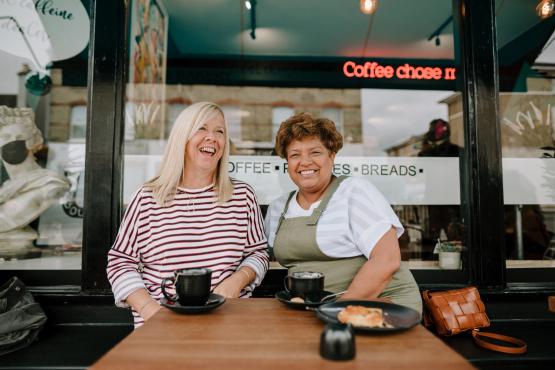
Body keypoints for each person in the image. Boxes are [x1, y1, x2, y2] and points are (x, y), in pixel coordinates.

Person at [107, 102, 269, 327]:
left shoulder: (242, 195)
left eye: (219, 131)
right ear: (182, 138)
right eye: (201, 128)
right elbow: (120, 263)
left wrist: (237, 280)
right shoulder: (147, 198)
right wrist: (150, 310)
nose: (212, 137)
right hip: (162, 326)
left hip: (229, 321)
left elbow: (258, 253)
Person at [265, 113, 422, 315]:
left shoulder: (354, 192)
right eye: (295, 155)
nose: (304, 162)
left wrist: (339, 310)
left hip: (379, 304)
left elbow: (387, 260)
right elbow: (259, 255)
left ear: (331, 156)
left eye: (315, 152)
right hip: (313, 307)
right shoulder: (278, 208)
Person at [0, 106, 70, 257]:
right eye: (5, 137)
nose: (12, 142)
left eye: (20, 137)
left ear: (34, 142)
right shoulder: (6, 188)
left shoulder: (50, 184)